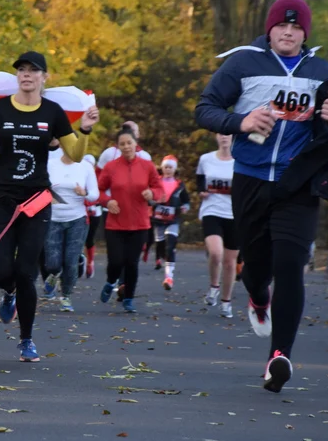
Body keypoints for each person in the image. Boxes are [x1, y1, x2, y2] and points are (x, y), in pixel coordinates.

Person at [195, 0, 328, 393]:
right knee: (258, 268)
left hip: (299, 182)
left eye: (297, 28)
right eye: (282, 25)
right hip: (250, 178)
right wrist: (240, 120)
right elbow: (205, 108)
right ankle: (258, 297)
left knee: (291, 263)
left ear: (305, 34)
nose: (288, 32)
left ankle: (279, 357)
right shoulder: (244, 63)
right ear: (270, 28)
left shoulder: (320, 70)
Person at [0, 51, 99, 362]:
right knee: (1, 272)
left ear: (44, 77)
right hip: (3, 200)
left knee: (26, 272)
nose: (26, 75)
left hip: (36, 201)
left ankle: (26, 340)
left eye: (33, 70)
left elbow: (76, 154)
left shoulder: (52, 112)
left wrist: (86, 130)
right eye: (21, 70)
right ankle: (8, 293)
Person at [96, 128, 164, 313]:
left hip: (140, 223)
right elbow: (99, 190)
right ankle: (111, 282)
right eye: (122, 144)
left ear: (136, 144)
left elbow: (159, 189)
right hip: (115, 223)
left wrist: (152, 194)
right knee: (116, 261)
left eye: (129, 143)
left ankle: (128, 299)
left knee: (132, 263)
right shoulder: (111, 167)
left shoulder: (147, 166)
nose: (126, 147)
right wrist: (107, 201)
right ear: (118, 147)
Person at [43, 148, 99, 311]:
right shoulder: (50, 165)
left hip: (77, 219)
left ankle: (66, 296)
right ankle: (53, 275)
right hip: (53, 219)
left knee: (70, 261)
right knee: (53, 263)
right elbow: (39, 188)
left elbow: (95, 195)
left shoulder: (86, 167)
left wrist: (84, 193)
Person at [197, 134, 239, 318]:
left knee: (230, 263)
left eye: (228, 135)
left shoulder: (240, 161)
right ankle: (214, 286)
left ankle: (226, 302)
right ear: (216, 136)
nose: (224, 138)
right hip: (211, 211)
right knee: (216, 253)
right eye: (221, 134)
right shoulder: (206, 159)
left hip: (234, 215)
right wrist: (201, 192)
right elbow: (200, 179)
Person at [150, 155, 190, 290]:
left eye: (170, 167)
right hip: (158, 220)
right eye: (166, 167)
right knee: (161, 247)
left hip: (173, 219)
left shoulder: (180, 185)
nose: (168, 170)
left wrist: (185, 207)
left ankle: (169, 277)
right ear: (162, 168)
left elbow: (186, 200)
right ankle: (164, 259)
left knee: (170, 245)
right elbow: (149, 197)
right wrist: (152, 202)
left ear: (174, 169)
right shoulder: (156, 182)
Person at [82, 154, 101, 278]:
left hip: (95, 210)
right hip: (81, 210)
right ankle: (79, 261)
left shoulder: (98, 177)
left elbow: (102, 192)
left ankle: (90, 262)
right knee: (79, 238)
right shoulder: (78, 174)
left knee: (90, 238)